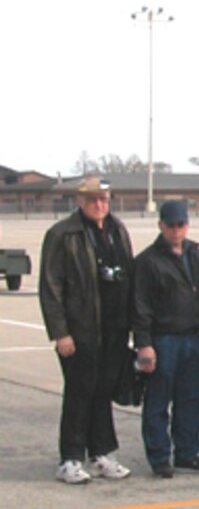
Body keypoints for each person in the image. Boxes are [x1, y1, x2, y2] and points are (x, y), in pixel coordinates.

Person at [39, 176, 136, 484]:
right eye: (92, 200)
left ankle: (101, 453)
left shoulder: (117, 230)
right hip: (80, 329)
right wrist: (60, 332)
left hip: (113, 328)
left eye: (103, 199)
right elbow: (51, 286)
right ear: (80, 201)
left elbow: (129, 274)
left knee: (103, 392)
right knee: (79, 393)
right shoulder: (62, 234)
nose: (99, 205)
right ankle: (70, 458)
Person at [131, 200, 199, 478]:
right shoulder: (147, 262)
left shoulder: (195, 254)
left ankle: (187, 453)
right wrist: (144, 344)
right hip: (162, 339)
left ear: (187, 225)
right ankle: (159, 457)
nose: (176, 230)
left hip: (191, 336)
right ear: (161, 226)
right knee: (158, 401)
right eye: (170, 225)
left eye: (181, 224)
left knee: (190, 398)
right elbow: (140, 306)